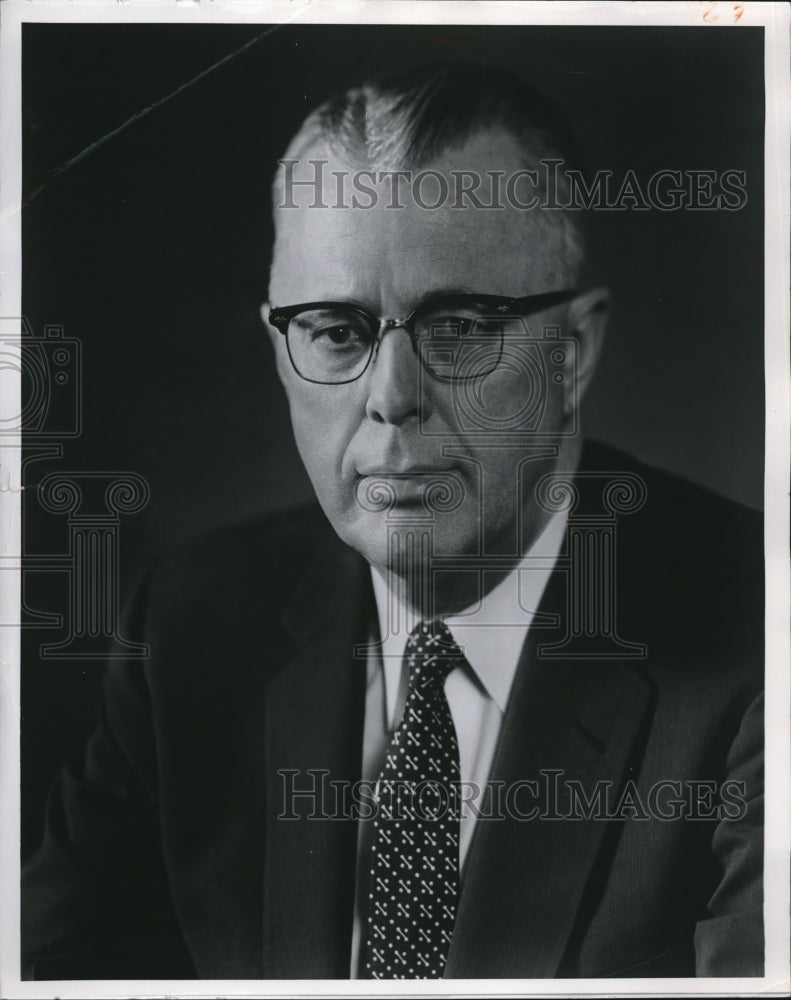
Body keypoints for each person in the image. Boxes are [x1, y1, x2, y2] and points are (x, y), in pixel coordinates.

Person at [22, 63, 763, 981]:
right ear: (281, 351)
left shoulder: (758, 638)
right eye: (337, 330)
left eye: (457, 328)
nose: (391, 399)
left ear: (570, 354)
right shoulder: (189, 626)